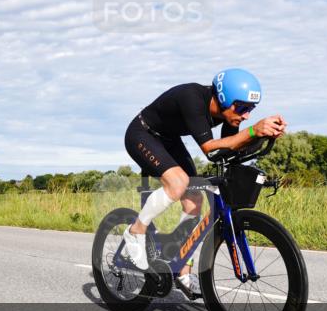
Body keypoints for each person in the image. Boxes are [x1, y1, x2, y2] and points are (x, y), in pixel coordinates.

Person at [122, 69, 286, 295]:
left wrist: (261, 135)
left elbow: (230, 147)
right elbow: (209, 148)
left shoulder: (229, 115)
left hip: (168, 140)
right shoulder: (192, 98)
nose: (246, 115)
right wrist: (252, 130)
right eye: (242, 108)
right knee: (178, 184)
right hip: (142, 134)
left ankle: (181, 269)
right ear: (222, 98)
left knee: (194, 202)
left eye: (251, 110)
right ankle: (135, 231)